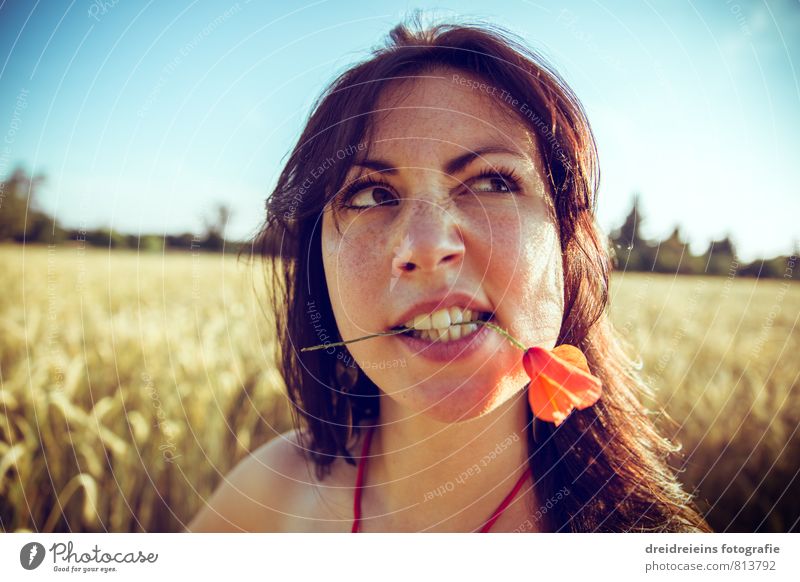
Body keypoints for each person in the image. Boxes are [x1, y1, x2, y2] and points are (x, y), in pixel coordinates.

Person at [187, 16, 711, 533]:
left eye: (492, 183)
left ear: (568, 240)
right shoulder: (265, 500)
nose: (427, 246)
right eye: (372, 195)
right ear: (317, 265)